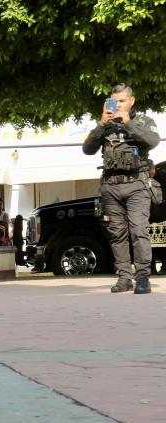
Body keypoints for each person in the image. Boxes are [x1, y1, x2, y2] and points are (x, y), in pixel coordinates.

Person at [82, 83, 160, 294]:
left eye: (122, 101)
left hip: (137, 184)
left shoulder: (143, 121)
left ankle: (142, 278)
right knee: (117, 234)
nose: (117, 105)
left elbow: (152, 141)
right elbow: (87, 149)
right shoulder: (104, 125)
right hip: (111, 186)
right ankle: (124, 278)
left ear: (131, 101)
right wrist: (101, 124)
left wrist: (127, 123)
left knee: (139, 230)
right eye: (114, 101)